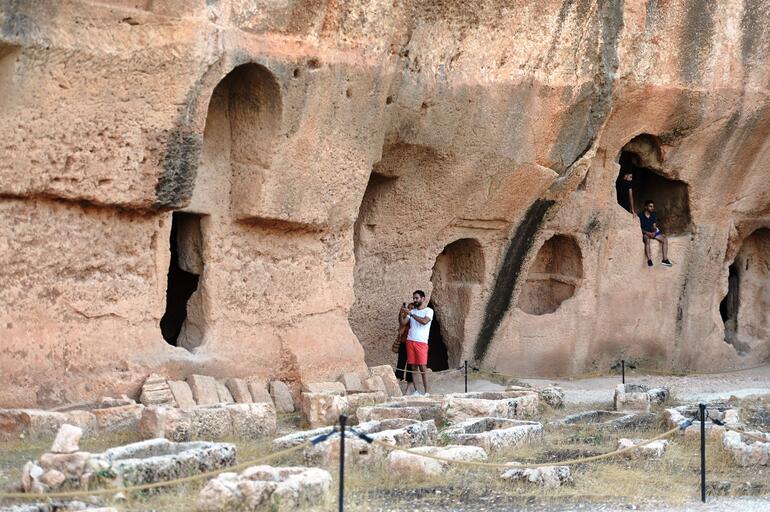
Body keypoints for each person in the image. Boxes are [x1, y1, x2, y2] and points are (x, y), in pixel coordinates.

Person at [400, 290, 433, 395]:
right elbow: (403, 323)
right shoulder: (412, 311)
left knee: (423, 368)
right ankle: (417, 391)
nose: (414, 300)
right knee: (413, 367)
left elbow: (424, 321)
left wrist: (411, 314)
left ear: (423, 299)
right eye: (413, 298)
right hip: (410, 341)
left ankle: (427, 392)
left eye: (417, 298)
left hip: (421, 342)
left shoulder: (429, 310)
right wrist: (402, 313)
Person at [639, 200, 672, 267]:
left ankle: (665, 260)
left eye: (653, 206)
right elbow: (639, 228)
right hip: (645, 233)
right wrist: (647, 233)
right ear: (646, 207)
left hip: (653, 232)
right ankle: (649, 260)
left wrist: (654, 232)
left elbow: (654, 226)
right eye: (650, 206)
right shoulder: (640, 215)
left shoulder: (653, 214)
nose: (652, 208)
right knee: (647, 240)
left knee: (665, 239)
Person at [395, 303, 415, 394]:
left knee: (410, 366)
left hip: (412, 344)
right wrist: (401, 313)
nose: (409, 310)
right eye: (409, 308)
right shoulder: (407, 318)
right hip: (404, 344)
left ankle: (408, 389)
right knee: (400, 363)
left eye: (411, 308)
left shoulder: (414, 319)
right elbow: (402, 323)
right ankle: (397, 385)